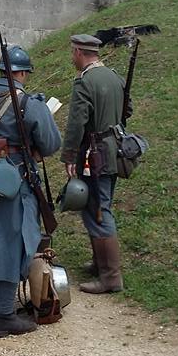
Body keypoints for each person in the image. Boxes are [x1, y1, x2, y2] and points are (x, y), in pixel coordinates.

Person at [0, 45, 61, 338]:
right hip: (16, 182)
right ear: (21, 74)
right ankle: (5, 316)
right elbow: (51, 144)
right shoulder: (29, 104)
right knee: (11, 245)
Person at [60, 34, 130, 294]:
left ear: (79, 52)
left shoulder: (85, 81)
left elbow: (76, 123)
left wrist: (69, 155)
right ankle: (100, 263)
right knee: (99, 205)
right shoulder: (114, 77)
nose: (72, 57)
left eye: (73, 52)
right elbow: (128, 110)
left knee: (99, 211)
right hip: (114, 151)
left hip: (95, 155)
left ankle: (111, 277)